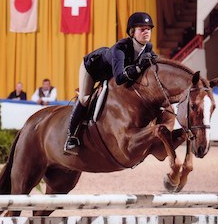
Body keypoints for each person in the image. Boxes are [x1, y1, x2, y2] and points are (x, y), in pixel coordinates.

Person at [64, 12, 157, 155]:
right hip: (92, 69)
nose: (146, 32)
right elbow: (120, 78)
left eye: (148, 29)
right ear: (132, 32)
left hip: (110, 75)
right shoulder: (120, 49)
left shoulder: (148, 48)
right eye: (142, 29)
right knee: (85, 98)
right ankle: (71, 136)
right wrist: (138, 67)